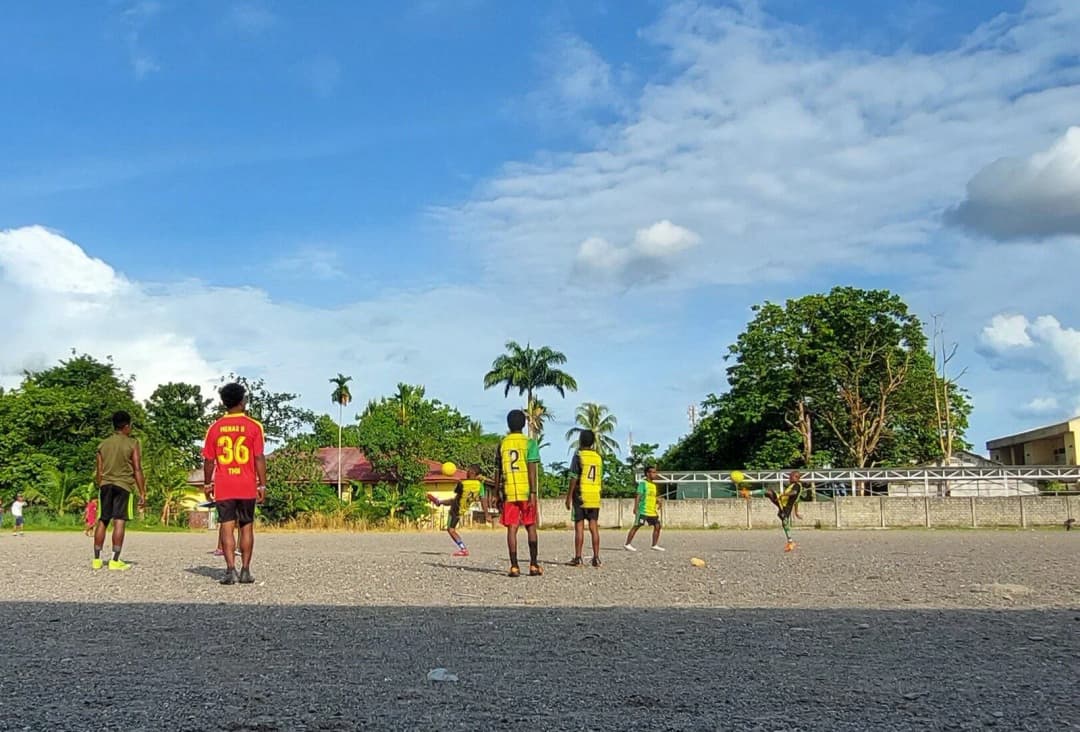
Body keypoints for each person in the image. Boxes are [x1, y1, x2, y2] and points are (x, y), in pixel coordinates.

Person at [203, 382, 267, 585]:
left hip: (224, 485)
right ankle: (246, 571)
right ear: (242, 401)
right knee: (247, 527)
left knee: (226, 527)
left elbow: (209, 460)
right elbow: (258, 458)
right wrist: (262, 484)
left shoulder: (214, 428)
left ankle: (230, 570)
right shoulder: (254, 426)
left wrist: (207, 484)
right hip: (247, 485)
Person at [93, 412, 147, 570]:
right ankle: (115, 561)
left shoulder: (103, 444)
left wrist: (101, 484)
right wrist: (142, 492)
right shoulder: (132, 443)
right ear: (126, 426)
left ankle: (96, 560)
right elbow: (137, 468)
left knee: (103, 520)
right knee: (119, 521)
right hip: (123, 485)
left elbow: (99, 470)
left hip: (105, 485)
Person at [493, 409, 542, 577]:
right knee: (530, 526)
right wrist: (533, 492)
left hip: (509, 491)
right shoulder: (529, 443)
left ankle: (514, 567)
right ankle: (533, 565)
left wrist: (496, 492)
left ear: (508, 424)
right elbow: (531, 470)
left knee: (512, 529)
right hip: (526, 491)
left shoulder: (503, 444)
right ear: (523, 424)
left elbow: (498, 470)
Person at [565, 430, 603, 567]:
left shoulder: (578, 455)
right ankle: (596, 558)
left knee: (579, 527)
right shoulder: (598, 457)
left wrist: (568, 496)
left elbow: (574, 477)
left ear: (580, 440)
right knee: (594, 527)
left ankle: (578, 557)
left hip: (581, 495)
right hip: (594, 495)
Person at [431, 464, 487, 556]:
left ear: (471, 472)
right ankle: (439, 502)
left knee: (451, 529)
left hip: (456, 509)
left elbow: (456, 492)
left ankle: (463, 549)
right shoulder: (480, 485)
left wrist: (459, 482)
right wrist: (487, 514)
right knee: (453, 501)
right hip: (464, 507)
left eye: (468, 470)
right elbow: (483, 499)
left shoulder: (462, 483)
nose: (466, 472)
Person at [624, 465, 664, 552]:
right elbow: (638, 495)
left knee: (658, 526)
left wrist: (658, 501)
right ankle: (627, 544)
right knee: (637, 526)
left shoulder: (653, 485)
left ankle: (654, 545)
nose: (655, 474)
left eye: (655, 472)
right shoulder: (643, 483)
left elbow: (652, 496)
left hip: (652, 511)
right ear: (647, 473)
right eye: (653, 472)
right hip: (643, 510)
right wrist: (636, 507)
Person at [767, 471, 804, 552]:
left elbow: (793, 493)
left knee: (784, 522)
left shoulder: (797, 485)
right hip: (782, 504)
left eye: (791, 476)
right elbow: (796, 501)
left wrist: (783, 494)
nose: (789, 478)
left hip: (786, 507)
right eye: (789, 476)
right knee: (769, 492)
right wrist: (796, 513)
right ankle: (749, 493)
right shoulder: (792, 486)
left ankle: (790, 542)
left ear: (797, 478)